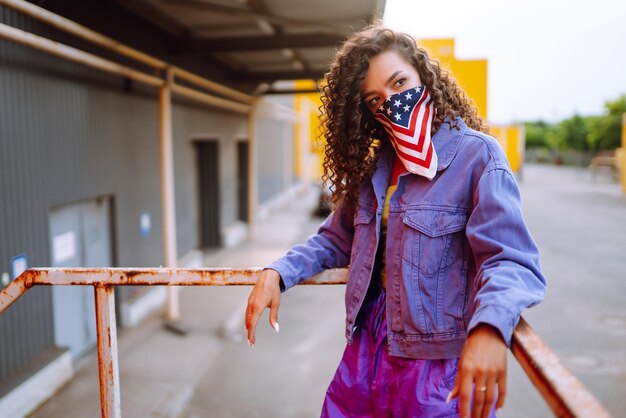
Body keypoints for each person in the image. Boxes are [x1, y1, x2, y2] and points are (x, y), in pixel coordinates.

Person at [245, 23, 546, 418]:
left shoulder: (478, 157)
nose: (392, 102)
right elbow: (336, 241)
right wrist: (279, 271)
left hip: (436, 364)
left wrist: (490, 328)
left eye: (399, 82)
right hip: (365, 350)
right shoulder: (378, 169)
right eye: (375, 99)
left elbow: (509, 260)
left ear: (425, 76)